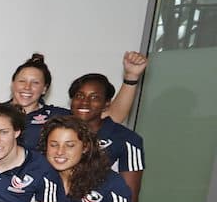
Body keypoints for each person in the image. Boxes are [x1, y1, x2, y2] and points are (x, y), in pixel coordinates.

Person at [10, 52, 148, 150]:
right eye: (22, 81)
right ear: (13, 83)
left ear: (45, 89)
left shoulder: (57, 117)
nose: (27, 87)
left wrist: (131, 77)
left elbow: (114, 116)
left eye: (35, 83)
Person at [68, 74, 146, 202]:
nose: (85, 102)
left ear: (106, 104)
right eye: (79, 96)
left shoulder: (127, 139)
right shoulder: (59, 131)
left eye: (94, 97)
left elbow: (130, 199)